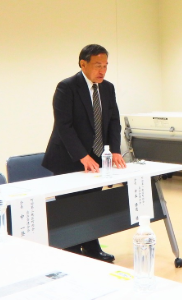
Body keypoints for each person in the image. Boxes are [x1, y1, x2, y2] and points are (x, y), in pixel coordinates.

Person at [42, 44, 126, 262]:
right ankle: (70, 249)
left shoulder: (107, 88)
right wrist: (82, 155)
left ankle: (91, 246)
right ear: (83, 64)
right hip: (68, 158)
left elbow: (114, 121)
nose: (102, 70)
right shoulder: (67, 87)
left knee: (91, 204)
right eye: (98, 65)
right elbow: (64, 126)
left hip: (96, 158)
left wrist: (115, 150)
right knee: (70, 207)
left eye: (105, 66)